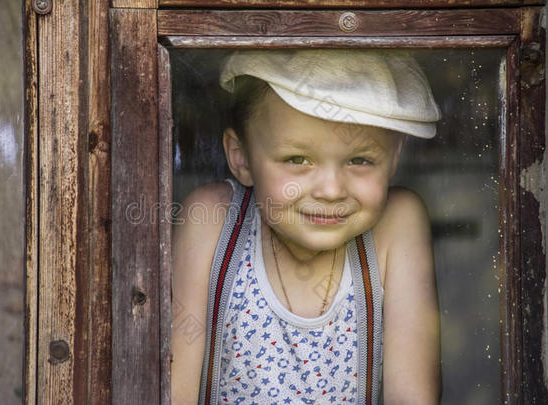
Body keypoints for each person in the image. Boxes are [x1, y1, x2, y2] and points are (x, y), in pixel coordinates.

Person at [171, 50, 441, 405]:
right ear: (241, 157)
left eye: (360, 160)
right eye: (297, 160)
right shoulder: (213, 221)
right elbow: (174, 392)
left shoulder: (396, 224)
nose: (331, 190)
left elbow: (411, 398)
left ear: (394, 159)